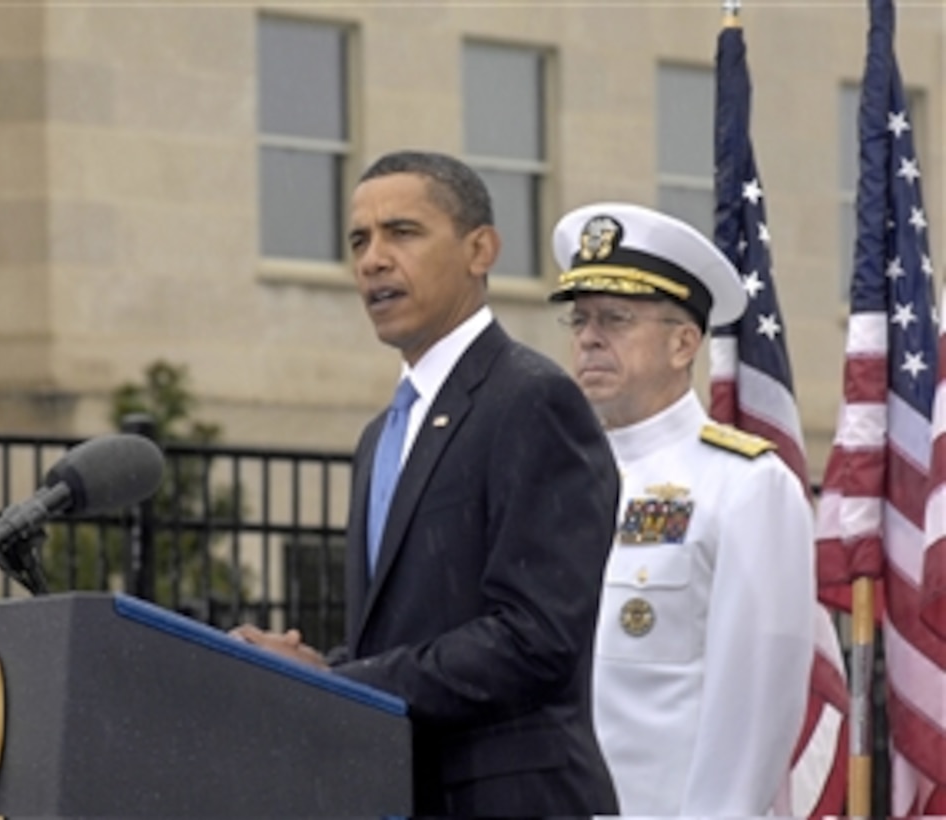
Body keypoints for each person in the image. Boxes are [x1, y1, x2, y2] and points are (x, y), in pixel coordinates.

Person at [234, 150, 621, 816]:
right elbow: (405, 642)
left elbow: (535, 639)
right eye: (359, 240)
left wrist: (340, 680)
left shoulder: (532, 401)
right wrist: (308, 667)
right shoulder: (380, 435)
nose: (373, 260)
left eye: (402, 233)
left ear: (481, 249)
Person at [548, 201, 816, 816]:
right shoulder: (550, 479)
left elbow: (752, 708)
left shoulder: (745, 486)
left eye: (615, 318)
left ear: (683, 343)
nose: (589, 337)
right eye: (580, 319)